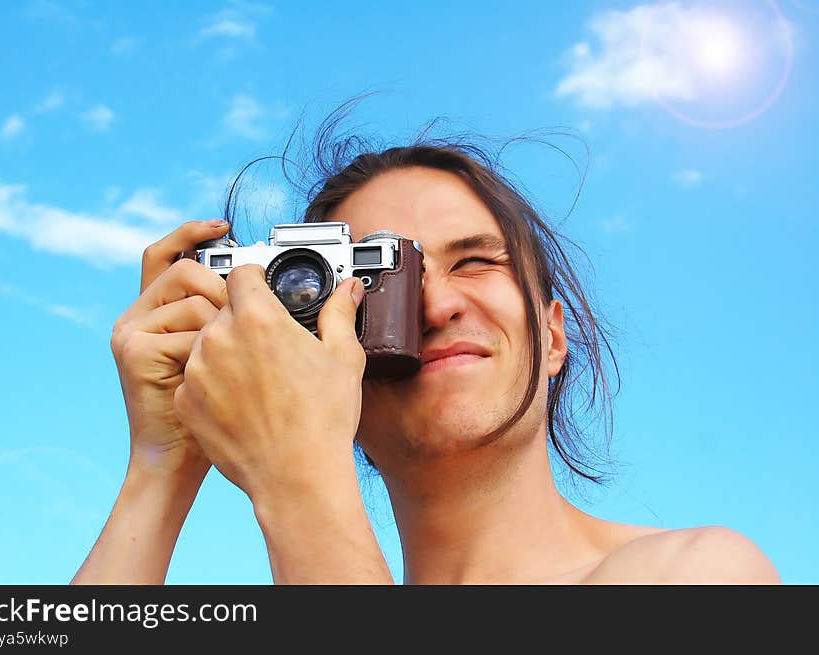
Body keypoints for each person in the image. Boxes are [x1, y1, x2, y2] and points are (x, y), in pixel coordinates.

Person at [72, 129, 781, 585]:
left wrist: (294, 478)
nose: (437, 307)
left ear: (554, 334)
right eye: (377, 283)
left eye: (475, 261)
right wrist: (162, 463)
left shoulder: (696, 574)